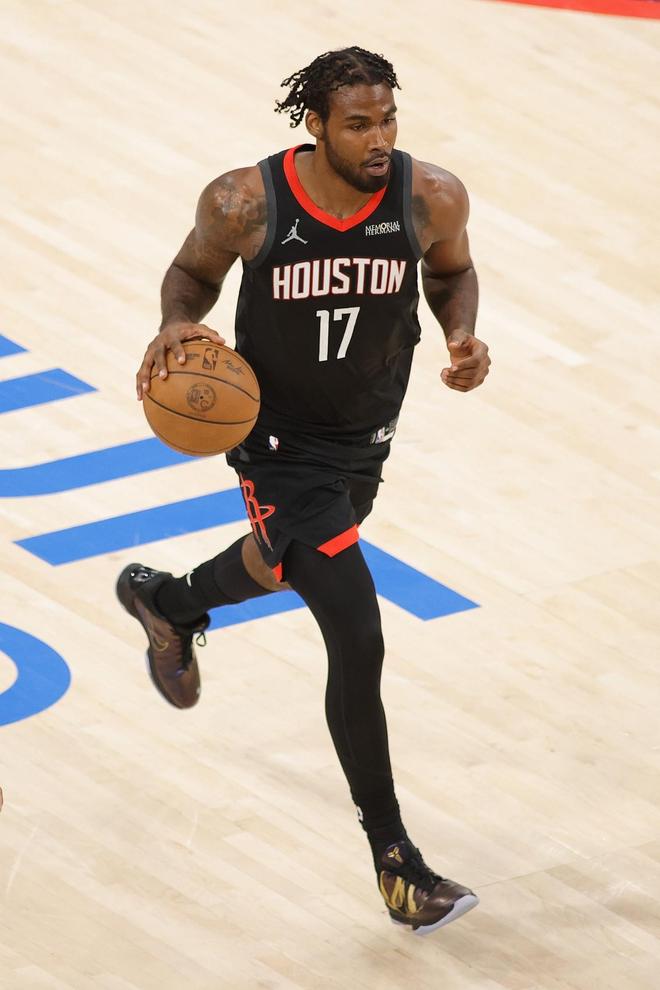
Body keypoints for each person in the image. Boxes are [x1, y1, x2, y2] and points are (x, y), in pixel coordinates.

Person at [117, 46, 490, 936]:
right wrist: (176, 323)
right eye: (357, 124)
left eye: (387, 119)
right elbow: (193, 275)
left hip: (364, 436)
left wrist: (462, 335)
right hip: (275, 444)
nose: (378, 138)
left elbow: (450, 273)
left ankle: (169, 603)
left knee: (282, 560)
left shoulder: (430, 197)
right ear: (315, 126)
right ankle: (397, 862)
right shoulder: (245, 203)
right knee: (357, 633)